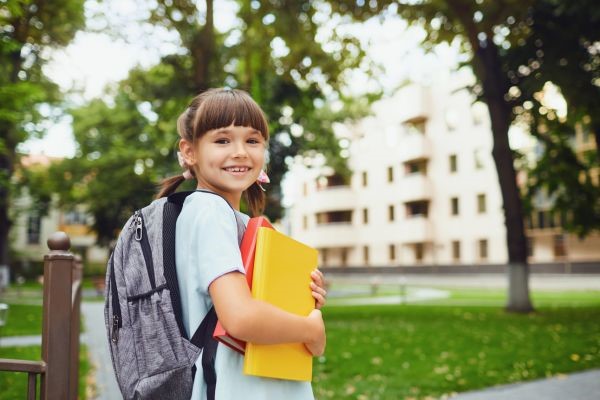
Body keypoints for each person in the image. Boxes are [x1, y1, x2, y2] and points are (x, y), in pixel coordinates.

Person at [156, 88, 327, 400]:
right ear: (190, 151)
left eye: (252, 140)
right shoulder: (212, 214)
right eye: (222, 140)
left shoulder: (193, 212)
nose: (240, 152)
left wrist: (302, 300)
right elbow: (241, 317)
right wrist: (310, 329)